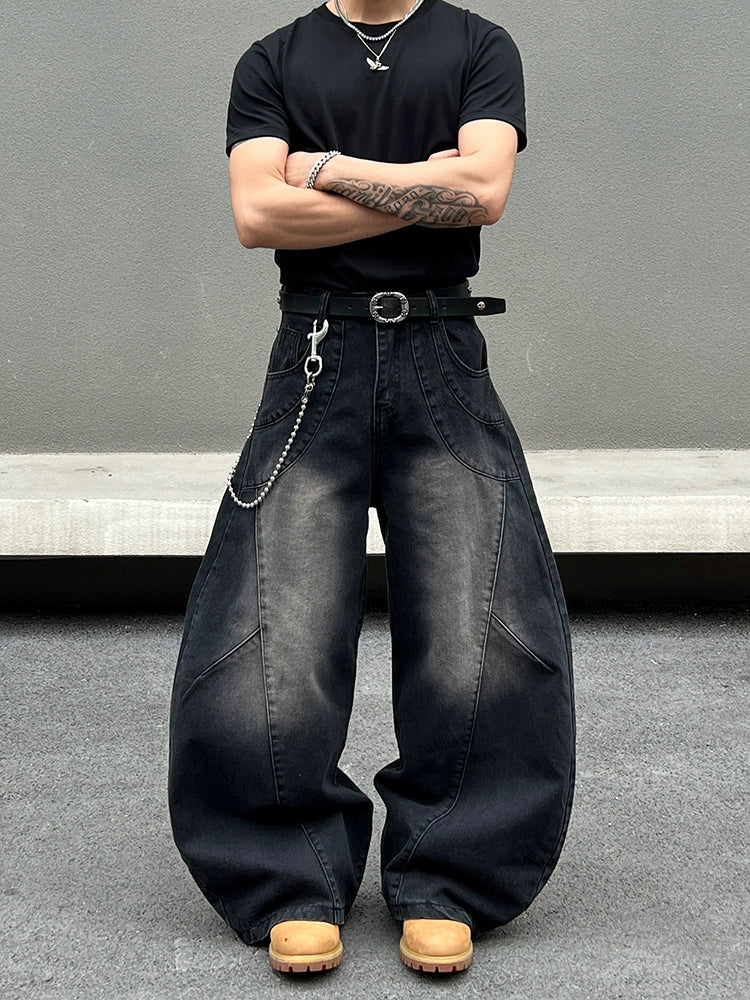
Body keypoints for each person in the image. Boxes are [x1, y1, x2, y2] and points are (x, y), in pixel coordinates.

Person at [168, 0, 575, 976]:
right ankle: (288, 876)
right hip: (318, 349)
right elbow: (257, 215)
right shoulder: (274, 60)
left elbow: (483, 193)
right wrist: (424, 185)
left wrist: (319, 169)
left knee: (479, 625)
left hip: (443, 345)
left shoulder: (479, 46)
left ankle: (450, 877)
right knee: (276, 625)